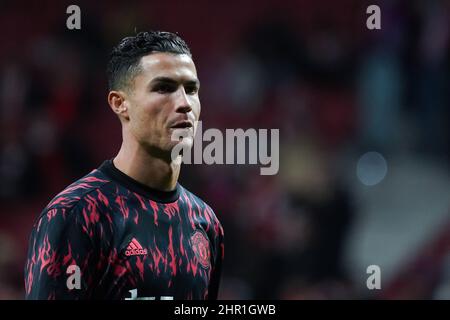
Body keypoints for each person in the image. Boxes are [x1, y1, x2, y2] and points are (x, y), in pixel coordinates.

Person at [24, 31, 224, 300]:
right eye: (163, 88)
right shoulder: (77, 215)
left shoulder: (205, 223)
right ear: (120, 104)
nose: (184, 104)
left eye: (191, 89)